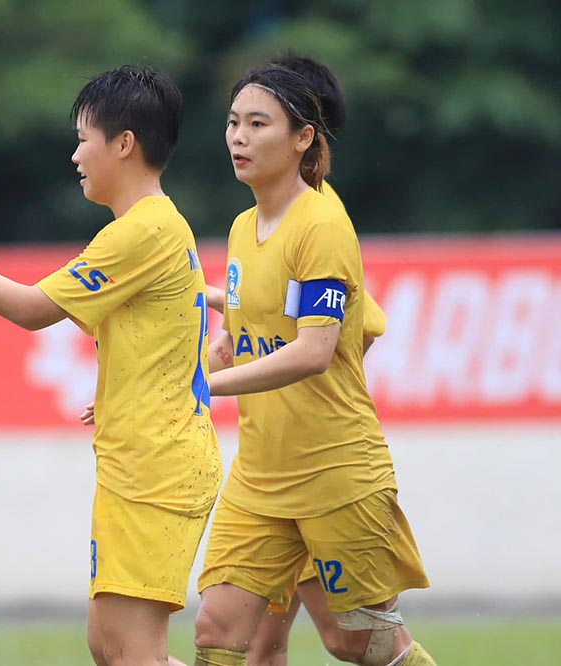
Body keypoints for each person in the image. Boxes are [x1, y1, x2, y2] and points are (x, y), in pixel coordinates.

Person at [0, 65, 222, 666]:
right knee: (109, 647)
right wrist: (131, 389)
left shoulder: (142, 231)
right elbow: (164, 332)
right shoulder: (150, 227)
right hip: (141, 459)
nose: (75, 155)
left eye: (83, 138)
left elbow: (30, 309)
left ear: (123, 144)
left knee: (131, 652)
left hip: (158, 465)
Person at [192, 63, 436, 666]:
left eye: (257, 123)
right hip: (260, 474)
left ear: (303, 138)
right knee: (217, 631)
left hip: (333, 470)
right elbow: (240, 336)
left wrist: (199, 387)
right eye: (232, 123)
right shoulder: (242, 227)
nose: (238, 137)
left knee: (357, 640)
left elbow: (315, 350)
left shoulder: (323, 224)